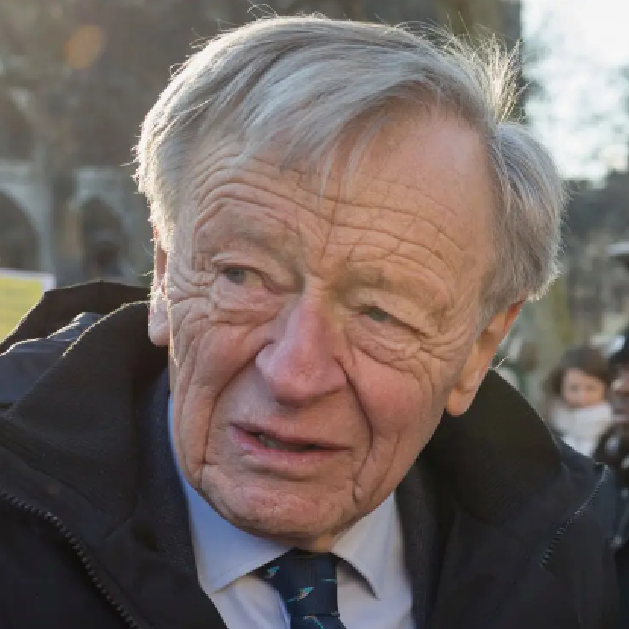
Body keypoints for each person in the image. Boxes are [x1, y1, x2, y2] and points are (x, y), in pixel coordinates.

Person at [0, 16, 620, 629]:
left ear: (479, 348)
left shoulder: (571, 556)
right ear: (165, 278)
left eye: (380, 312)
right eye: (243, 276)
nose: (294, 375)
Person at [544, 345, 615, 456]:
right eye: (573, 388)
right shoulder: (545, 431)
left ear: (605, 388)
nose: (582, 398)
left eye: (591, 388)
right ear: (560, 388)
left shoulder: (618, 432)